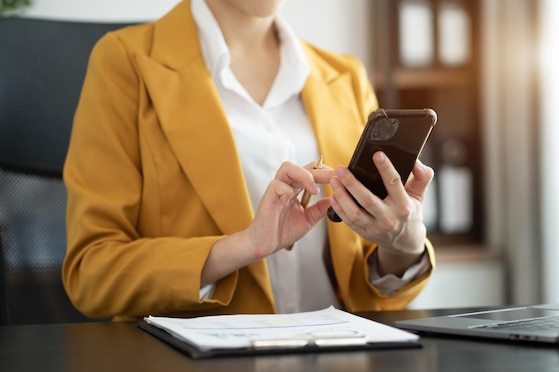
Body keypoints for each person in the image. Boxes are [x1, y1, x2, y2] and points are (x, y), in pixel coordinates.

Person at [62, 0, 436, 321]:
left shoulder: (345, 76)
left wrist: (402, 244)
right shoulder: (125, 63)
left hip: (343, 352)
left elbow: (373, 284)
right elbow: (91, 272)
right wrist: (244, 246)